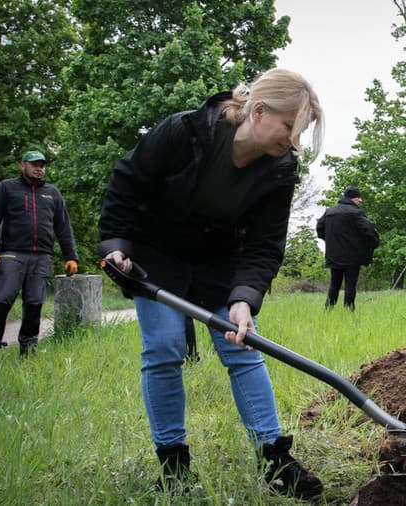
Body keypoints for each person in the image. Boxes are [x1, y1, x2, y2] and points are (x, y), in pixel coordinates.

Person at [98, 68, 325, 499]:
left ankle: (274, 459)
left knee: (242, 347)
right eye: (289, 128)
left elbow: (265, 244)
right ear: (258, 111)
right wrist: (115, 243)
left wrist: (244, 299)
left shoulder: (280, 170)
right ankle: (174, 467)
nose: (292, 141)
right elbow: (127, 181)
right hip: (157, 258)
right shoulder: (184, 132)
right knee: (163, 348)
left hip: (222, 262)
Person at [0, 151, 79, 359]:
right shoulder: (7, 188)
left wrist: (71, 256)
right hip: (11, 255)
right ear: (22, 165)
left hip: (42, 256)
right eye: (34, 164)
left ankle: (29, 347)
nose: (39, 168)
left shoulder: (52, 193)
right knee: (1, 300)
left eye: (42, 164)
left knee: (35, 303)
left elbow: (63, 227)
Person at [315, 186, 379, 311]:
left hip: (334, 254)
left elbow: (320, 229)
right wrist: (373, 243)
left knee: (334, 283)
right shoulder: (356, 213)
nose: (360, 200)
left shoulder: (329, 212)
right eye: (358, 197)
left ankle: (328, 309)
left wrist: (330, 241)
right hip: (352, 255)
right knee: (350, 284)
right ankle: (349, 311)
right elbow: (369, 230)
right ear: (353, 198)